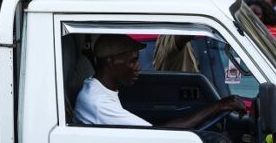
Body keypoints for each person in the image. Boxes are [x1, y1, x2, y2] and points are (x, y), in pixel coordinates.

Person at [74, 34, 246, 128]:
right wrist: (219, 106)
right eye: (132, 61)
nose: (138, 67)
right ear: (110, 61)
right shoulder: (99, 104)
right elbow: (158, 135)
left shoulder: (99, 87)